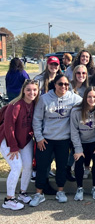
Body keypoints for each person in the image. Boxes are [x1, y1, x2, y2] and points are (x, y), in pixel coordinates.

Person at [30, 75, 82, 207]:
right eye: (60, 84)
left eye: (66, 84)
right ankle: (38, 194)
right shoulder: (44, 99)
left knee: (61, 167)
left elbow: (87, 102)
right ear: (55, 84)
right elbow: (37, 119)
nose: (63, 87)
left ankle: (60, 191)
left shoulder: (73, 98)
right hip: (46, 140)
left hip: (63, 140)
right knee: (42, 167)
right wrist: (39, 138)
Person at [0, 79, 39, 210]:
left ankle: (22, 193)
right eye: (28, 89)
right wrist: (13, 146)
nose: (31, 92)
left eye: (34, 90)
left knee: (28, 166)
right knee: (17, 166)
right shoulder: (15, 105)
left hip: (25, 140)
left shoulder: (35, 104)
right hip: (8, 140)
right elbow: (8, 127)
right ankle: (8, 200)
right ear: (23, 90)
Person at [70, 86, 95, 201]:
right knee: (79, 160)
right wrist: (78, 149)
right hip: (80, 141)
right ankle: (79, 188)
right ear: (85, 97)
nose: (92, 99)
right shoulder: (76, 111)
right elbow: (74, 131)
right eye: (89, 97)